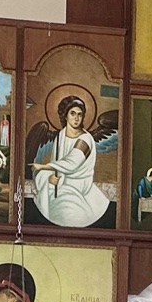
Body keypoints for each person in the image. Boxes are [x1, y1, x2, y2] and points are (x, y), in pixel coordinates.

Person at [31, 95, 107, 227]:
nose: (77, 118)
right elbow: (57, 163)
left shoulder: (85, 139)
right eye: (73, 113)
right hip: (60, 184)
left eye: (80, 114)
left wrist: (43, 167)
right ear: (65, 116)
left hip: (78, 185)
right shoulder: (61, 135)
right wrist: (50, 178)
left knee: (67, 213)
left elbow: (72, 163)